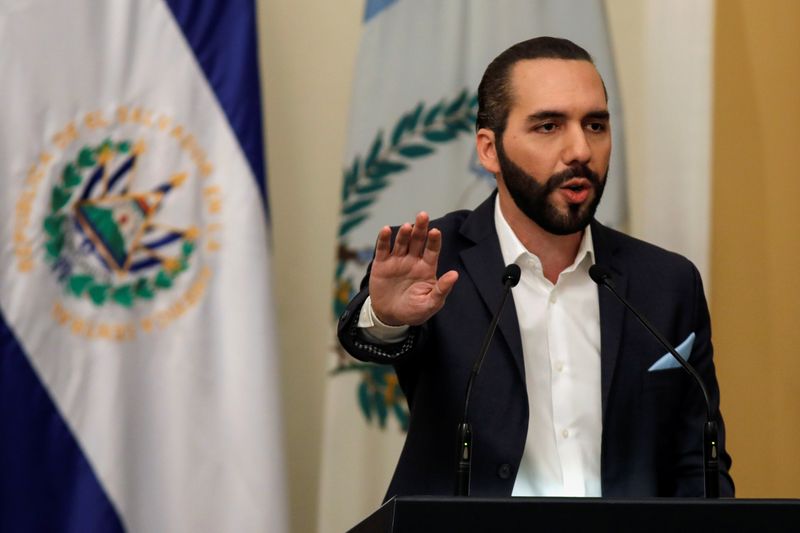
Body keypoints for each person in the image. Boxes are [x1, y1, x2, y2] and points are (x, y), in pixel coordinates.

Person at [337, 36, 734, 500]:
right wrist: (387, 319)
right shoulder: (435, 260)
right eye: (548, 126)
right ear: (489, 150)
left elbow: (698, 467)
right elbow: (370, 335)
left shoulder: (666, 283)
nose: (580, 150)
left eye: (595, 125)